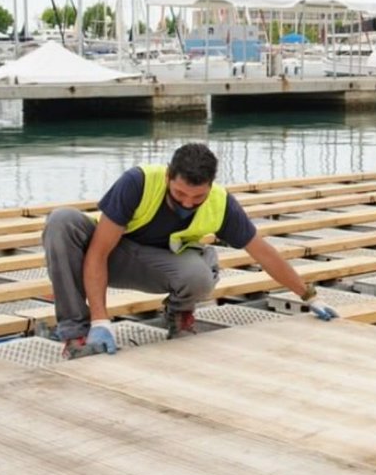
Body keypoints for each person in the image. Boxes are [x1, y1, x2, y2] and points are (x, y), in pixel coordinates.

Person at [42, 143, 340, 359]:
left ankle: (180, 313)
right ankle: (76, 334)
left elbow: (263, 253)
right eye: (180, 194)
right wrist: (101, 321)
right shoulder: (138, 182)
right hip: (109, 256)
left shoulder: (222, 203)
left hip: (156, 264)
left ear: (210, 185)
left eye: (197, 197)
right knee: (61, 221)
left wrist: (308, 296)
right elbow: (97, 253)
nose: (187, 203)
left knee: (199, 276)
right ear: (169, 176)